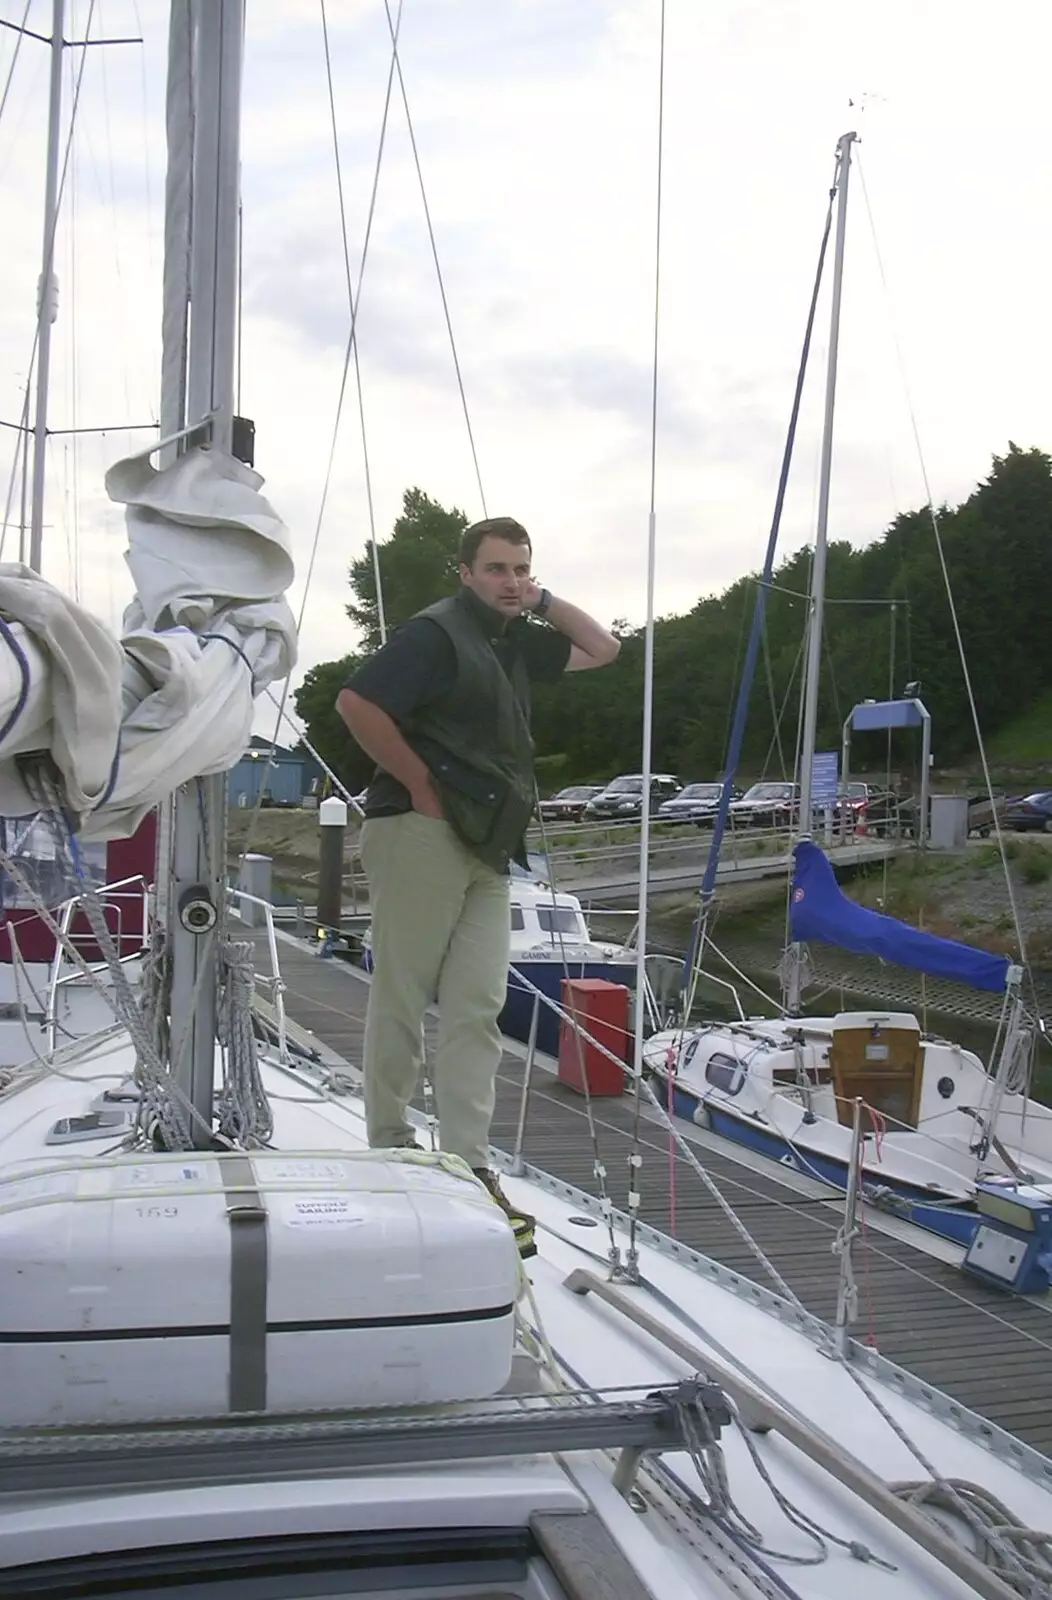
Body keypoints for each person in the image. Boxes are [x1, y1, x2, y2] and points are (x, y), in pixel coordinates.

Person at [336, 516, 620, 1256]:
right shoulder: (433, 635)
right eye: (495, 569)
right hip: (421, 832)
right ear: (464, 573)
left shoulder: (514, 639)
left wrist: (543, 598)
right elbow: (358, 704)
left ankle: (469, 1159)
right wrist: (419, 784)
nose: (509, 580)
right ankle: (393, 1142)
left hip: (489, 846)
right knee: (402, 991)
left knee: (478, 1006)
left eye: (520, 568)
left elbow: (605, 648)